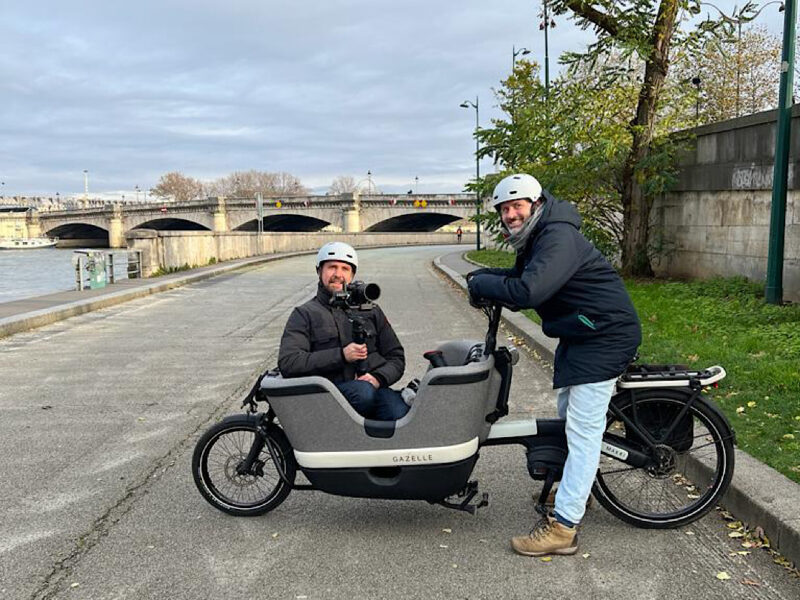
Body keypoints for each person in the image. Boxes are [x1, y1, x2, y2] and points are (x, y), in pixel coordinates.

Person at [466, 174, 641, 557]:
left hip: (604, 335)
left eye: (517, 206)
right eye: (504, 209)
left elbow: (530, 291)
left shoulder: (556, 236)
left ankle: (564, 528)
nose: (511, 214)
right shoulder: (537, 236)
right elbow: (519, 278)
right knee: (567, 417)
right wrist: (480, 277)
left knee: (582, 432)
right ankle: (576, 492)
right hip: (583, 333)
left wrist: (482, 286)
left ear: (537, 202)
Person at [278, 242, 410, 421]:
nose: (338, 274)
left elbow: (396, 357)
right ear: (319, 271)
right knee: (363, 393)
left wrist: (378, 378)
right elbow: (289, 362)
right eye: (332, 267)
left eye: (345, 269)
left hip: (374, 387)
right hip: (329, 394)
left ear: (352, 274)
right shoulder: (305, 313)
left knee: (399, 414)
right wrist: (341, 355)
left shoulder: (371, 310)